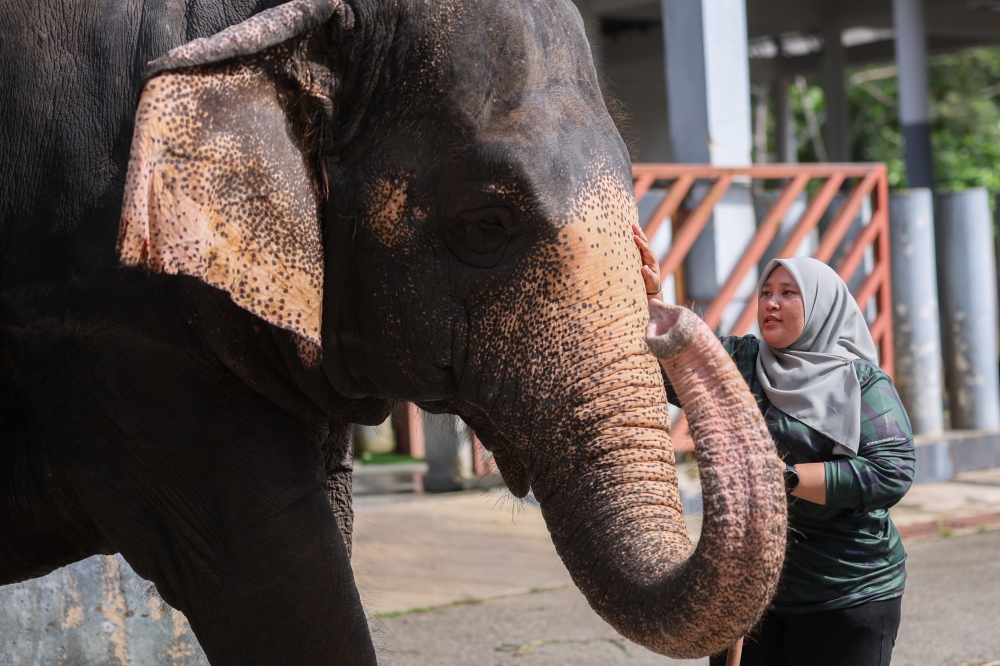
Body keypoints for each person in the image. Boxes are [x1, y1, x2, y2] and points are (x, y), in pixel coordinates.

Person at [633, 224, 915, 666]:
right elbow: (662, 354)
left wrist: (782, 478)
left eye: (789, 293)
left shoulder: (861, 383)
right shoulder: (742, 361)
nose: (771, 302)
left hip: (846, 592)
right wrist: (646, 297)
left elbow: (891, 472)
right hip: (749, 594)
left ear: (822, 305)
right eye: (766, 291)